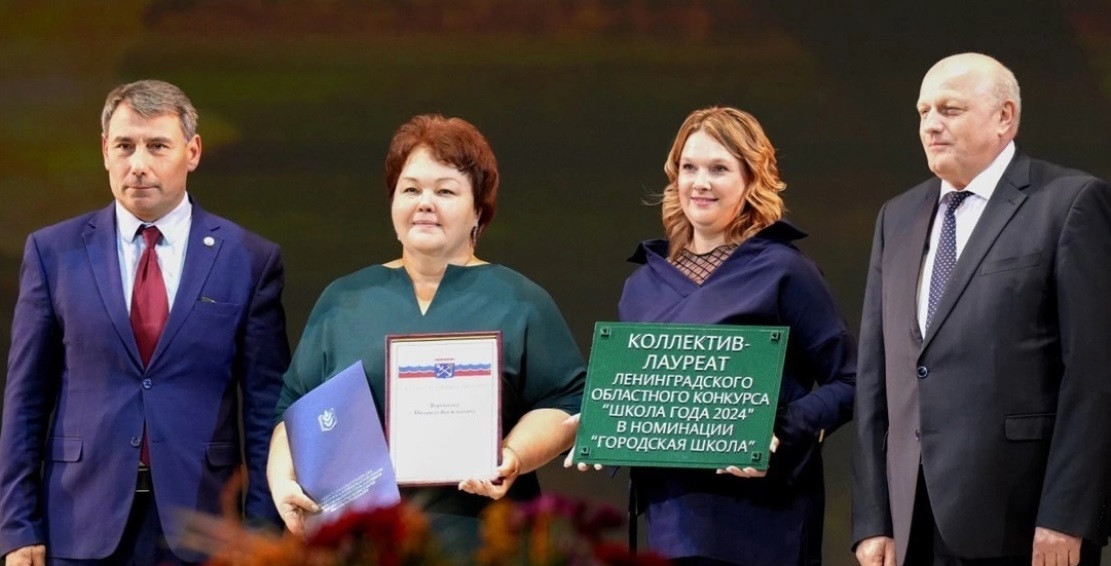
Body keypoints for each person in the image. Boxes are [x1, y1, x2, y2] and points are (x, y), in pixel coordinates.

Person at [0, 80, 290, 565]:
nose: (139, 164)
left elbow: (264, 411)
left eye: (157, 146)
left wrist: (261, 535)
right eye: (125, 146)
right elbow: (25, 400)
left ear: (192, 152)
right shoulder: (52, 253)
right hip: (77, 525)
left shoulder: (249, 259)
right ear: (104, 152)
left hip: (202, 529)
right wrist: (17, 526)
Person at [267, 114, 586, 541]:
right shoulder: (344, 300)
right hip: (362, 542)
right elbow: (295, 409)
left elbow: (567, 404)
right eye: (411, 189)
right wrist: (281, 481)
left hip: (484, 538)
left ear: (479, 210)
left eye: (446, 191)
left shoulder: (520, 301)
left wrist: (513, 455)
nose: (425, 203)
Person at [852, 52, 1111, 566]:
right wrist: (873, 519)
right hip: (910, 522)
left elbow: (1094, 375)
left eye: (949, 109)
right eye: (923, 111)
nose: (930, 125)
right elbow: (876, 377)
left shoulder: (1069, 203)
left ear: (1005, 117)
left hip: (1021, 520)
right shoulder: (897, 217)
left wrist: (1068, 513)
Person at [576, 106, 856, 565]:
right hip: (672, 519)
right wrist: (596, 425)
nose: (700, 182)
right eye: (689, 168)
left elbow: (851, 381)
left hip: (765, 516)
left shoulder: (785, 271)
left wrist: (782, 429)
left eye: (719, 169)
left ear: (752, 179)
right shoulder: (643, 284)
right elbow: (633, 392)